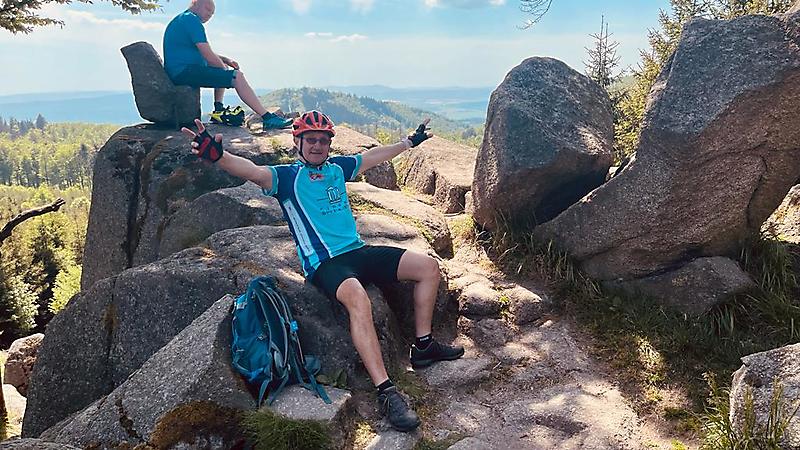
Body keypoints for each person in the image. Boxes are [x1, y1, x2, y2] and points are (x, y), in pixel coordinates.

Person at [181, 110, 464, 432]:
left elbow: (372, 157)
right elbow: (252, 171)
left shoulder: (336, 168)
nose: (317, 145)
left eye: (323, 140)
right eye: (311, 140)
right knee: (358, 299)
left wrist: (408, 142)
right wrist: (218, 156)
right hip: (325, 263)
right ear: (297, 142)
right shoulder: (286, 178)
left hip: (357, 251)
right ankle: (386, 391)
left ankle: (424, 346)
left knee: (428, 267)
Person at [163, 0, 291, 130]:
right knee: (237, 76)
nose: (209, 15)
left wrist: (225, 60)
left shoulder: (184, 19)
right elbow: (208, 55)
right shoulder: (191, 20)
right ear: (195, 3)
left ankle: (218, 109)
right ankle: (268, 118)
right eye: (208, 9)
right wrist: (224, 69)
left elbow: (201, 52)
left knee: (224, 67)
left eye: (212, 13)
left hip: (183, 70)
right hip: (183, 72)